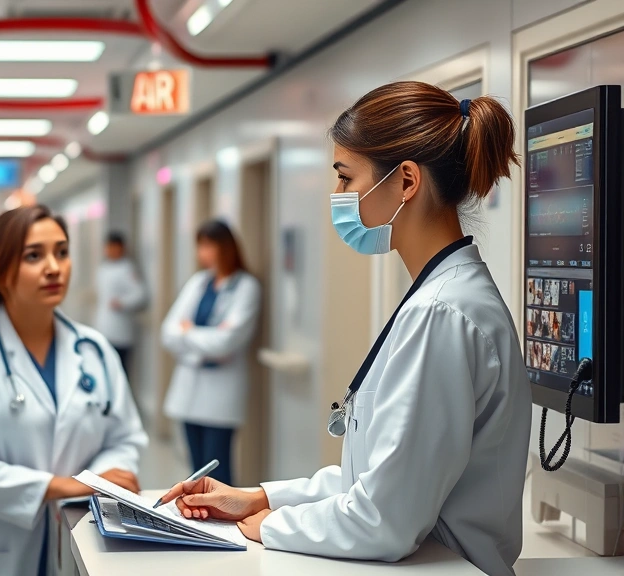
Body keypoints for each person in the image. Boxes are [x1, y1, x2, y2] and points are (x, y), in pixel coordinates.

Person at [157, 82, 531, 576]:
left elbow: (384, 520)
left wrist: (271, 525)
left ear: (406, 182)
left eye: (345, 177)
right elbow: (377, 481)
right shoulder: (440, 296)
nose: (337, 197)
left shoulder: (443, 314)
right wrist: (257, 497)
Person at [0, 205, 148, 576]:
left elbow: (125, 439)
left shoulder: (93, 349)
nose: (54, 267)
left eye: (62, 252)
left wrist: (97, 479)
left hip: (81, 538)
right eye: (34, 255)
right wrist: (60, 486)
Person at [161, 220, 261, 486]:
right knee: (195, 471)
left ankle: (221, 525)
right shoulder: (199, 282)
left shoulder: (247, 287)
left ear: (225, 247)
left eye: (207, 246)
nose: (201, 253)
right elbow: (168, 332)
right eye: (199, 246)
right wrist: (206, 339)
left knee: (217, 470)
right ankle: (198, 523)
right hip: (190, 391)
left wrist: (188, 333)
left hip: (220, 395)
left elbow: (227, 342)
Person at [94, 231, 146, 373]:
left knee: (120, 370)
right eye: (108, 247)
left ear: (122, 248)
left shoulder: (127, 268)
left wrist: (122, 303)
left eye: (114, 247)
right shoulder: (103, 268)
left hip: (121, 330)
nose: (110, 250)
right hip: (104, 326)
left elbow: (140, 294)